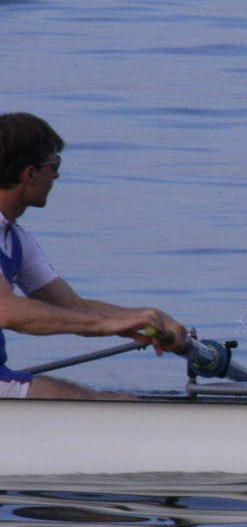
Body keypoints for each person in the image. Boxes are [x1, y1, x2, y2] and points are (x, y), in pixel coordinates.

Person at [0, 112, 187, 399]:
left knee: (123, 406)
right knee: (113, 409)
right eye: (55, 164)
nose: (58, 175)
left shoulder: (16, 238)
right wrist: (107, 325)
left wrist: (148, 319)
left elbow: (74, 306)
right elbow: (8, 312)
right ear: (30, 173)